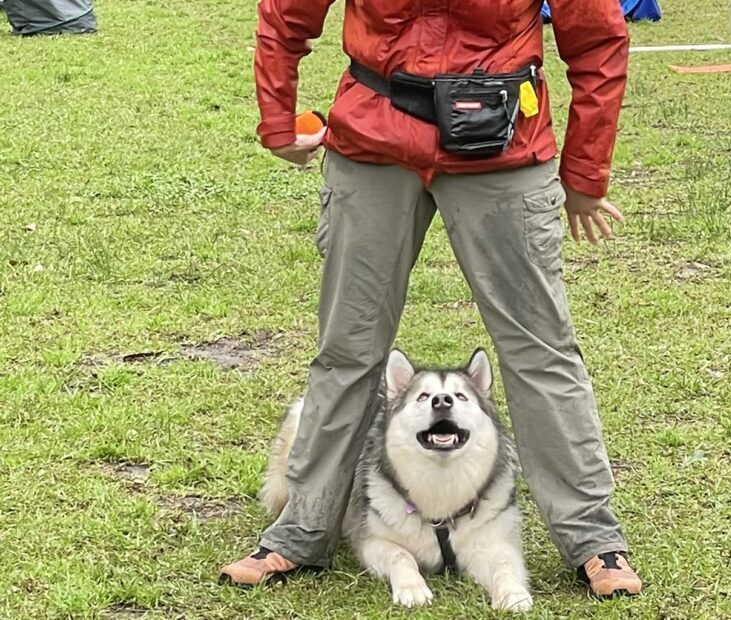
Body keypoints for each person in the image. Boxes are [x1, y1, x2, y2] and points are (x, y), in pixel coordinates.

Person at [221, 0, 643, 599]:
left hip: (503, 145)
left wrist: (584, 173)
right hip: (373, 138)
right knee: (347, 349)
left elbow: (598, 42)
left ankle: (593, 539)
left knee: (540, 355)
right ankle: (300, 531)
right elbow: (284, 14)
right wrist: (276, 119)